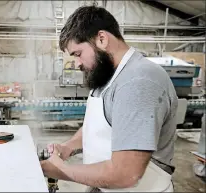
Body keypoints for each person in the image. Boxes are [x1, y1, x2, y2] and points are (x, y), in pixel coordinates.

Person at [40, 5, 178, 192]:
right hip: (105, 186)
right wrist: (68, 147)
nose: (77, 63)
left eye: (78, 54)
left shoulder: (138, 81)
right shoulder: (107, 76)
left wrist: (61, 170)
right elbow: (98, 126)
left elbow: (125, 174)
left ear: (102, 39)